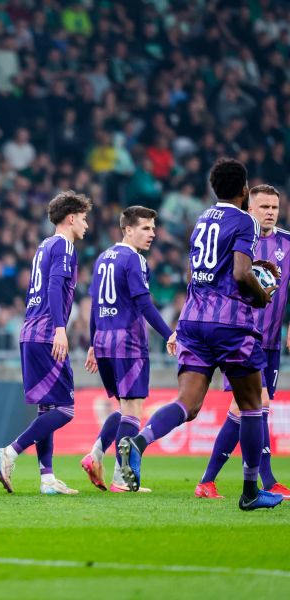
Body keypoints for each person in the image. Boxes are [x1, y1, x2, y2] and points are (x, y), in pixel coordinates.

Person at [118, 158, 284, 511]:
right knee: (252, 406)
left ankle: (139, 442)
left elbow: (193, 273)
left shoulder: (203, 218)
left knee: (188, 404)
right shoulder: (246, 222)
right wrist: (261, 295)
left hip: (193, 320)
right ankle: (250, 491)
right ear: (244, 190)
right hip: (231, 324)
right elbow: (241, 272)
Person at [0, 191, 92, 495]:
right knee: (65, 409)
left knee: (47, 408)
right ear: (71, 218)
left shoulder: (44, 246)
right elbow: (54, 286)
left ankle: (47, 479)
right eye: (84, 218)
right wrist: (60, 329)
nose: (86, 225)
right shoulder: (64, 245)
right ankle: (9, 452)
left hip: (30, 331)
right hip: (48, 333)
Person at [196, 184, 290, 500]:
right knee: (255, 404)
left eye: (274, 207)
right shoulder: (237, 237)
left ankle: (208, 481)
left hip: (271, 340)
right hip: (240, 335)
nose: (270, 213)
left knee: (247, 407)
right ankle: (266, 480)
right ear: (250, 208)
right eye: (264, 207)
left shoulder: (287, 243)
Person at [81, 206, 175, 493]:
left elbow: (95, 306)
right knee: (133, 409)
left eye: (153, 228)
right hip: (128, 342)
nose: (152, 233)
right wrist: (169, 334)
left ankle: (96, 453)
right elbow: (144, 304)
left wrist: (93, 343)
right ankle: (121, 479)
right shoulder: (134, 259)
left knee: (125, 409)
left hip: (104, 341)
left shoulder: (103, 258)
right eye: (145, 228)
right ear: (128, 229)